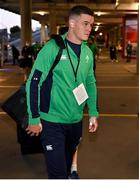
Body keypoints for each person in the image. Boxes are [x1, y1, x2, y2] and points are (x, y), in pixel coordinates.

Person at [26, 5, 99, 179]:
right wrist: (34, 117)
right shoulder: (53, 48)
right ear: (72, 23)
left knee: (66, 169)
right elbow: (33, 82)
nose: (90, 29)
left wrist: (94, 112)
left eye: (91, 25)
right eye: (86, 24)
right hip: (52, 122)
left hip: (75, 121)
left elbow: (90, 83)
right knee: (57, 174)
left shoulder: (87, 52)